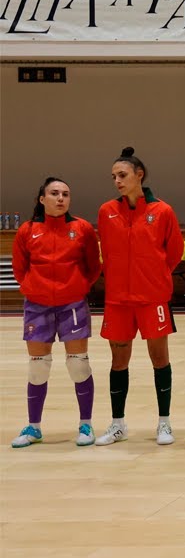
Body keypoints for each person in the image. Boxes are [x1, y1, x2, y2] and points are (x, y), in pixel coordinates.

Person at [95, 147, 185, 446]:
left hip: (153, 298)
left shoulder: (162, 211)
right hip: (118, 300)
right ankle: (118, 424)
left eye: (122, 175)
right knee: (118, 361)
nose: (117, 181)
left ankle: (164, 424)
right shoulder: (107, 211)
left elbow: (173, 253)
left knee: (159, 359)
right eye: (113, 177)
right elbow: (106, 251)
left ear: (139, 175)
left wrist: (154, 277)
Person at [10, 177, 100, 448]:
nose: (61, 198)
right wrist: (32, 287)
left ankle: (86, 424)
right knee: (38, 369)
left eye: (65, 194)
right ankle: (34, 427)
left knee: (78, 364)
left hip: (72, 304)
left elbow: (93, 266)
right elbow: (19, 268)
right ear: (42, 199)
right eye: (54, 193)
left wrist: (78, 286)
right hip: (37, 306)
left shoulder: (81, 228)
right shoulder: (27, 230)